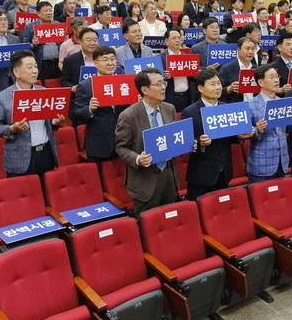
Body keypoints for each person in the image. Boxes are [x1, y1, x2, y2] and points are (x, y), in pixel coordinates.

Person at [114, 68, 179, 214]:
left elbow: (173, 137)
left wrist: (187, 143)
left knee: (170, 218)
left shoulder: (170, 109)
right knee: (147, 224)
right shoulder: (129, 115)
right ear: (145, 89)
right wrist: (137, 159)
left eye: (164, 83)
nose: (163, 87)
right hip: (145, 179)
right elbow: (121, 147)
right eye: (158, 84)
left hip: (169, 176)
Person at [0, 50, 62, 178]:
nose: (35, 71)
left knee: (47, 195)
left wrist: (54, 123)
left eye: (35, 66)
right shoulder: (2, 97)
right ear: (16, 72)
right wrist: (12, 128)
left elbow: (49, 122)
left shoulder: (44, 92)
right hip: (20, 158)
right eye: (29, 67)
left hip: (46, 154)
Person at [181, 69, 245, 199]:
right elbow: (185, 144)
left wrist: (240, 136)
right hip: (201, 176)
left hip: (225, 172)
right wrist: (200, 143)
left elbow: (231, 137)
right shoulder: (189, 112)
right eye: (212, 84)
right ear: (200, 88)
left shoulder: (226, 108)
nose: (218, 87)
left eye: (219, 83)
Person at [70, 45, 125, 164]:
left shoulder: (124, 83)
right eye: (105, 60)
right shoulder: (86, 86)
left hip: (123, 143)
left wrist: (134, 103)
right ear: (95, 63)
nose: (110, 63)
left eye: (112, 59)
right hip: (99, 146)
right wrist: (89, 109)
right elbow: (75, 114)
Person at [246, 65, 291, 184]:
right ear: (261, 82)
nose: (276, 80)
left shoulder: (283, 103)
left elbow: (287, 129)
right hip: (261, 163)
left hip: (282, 161)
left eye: (277, 77)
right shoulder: (250, 105)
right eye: (271, 78)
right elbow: (243, 135)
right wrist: (258, 131)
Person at [24, 1, 62, 81]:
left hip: (57, 63)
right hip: (41, 63)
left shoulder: (57, 24)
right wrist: (33, 44)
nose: (49, 13)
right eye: (46, 11)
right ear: (38, 13)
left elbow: (61, 44)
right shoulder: (30, 27)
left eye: (50, 10)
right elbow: (25, 46)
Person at [160, 28, 193, 112]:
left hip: (186, 96)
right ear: (167, 41)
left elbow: (192, 78)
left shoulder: (186, 56)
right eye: (174, 38)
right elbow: (156, 80)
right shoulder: (160, 58)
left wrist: (195, 74)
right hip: (170, 97)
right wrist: (164, 77)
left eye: (179, 38)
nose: (177, 40)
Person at [218, 38, 258, 104]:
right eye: (247, 49)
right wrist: (229, 88)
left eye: (253, 49)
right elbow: (218, 90)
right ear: (238, 50)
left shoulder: (256, 69)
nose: (250, 52)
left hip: (254, 106)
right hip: (236, 107)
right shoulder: (227, 68)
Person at [61, 27, 99, 92]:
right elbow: (64, 81)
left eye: (95, 40)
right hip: (80, 97)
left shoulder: (103, 59)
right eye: (89, 40)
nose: (92, 43)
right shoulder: (70, 60)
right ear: (80, 41)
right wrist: (72, 88)